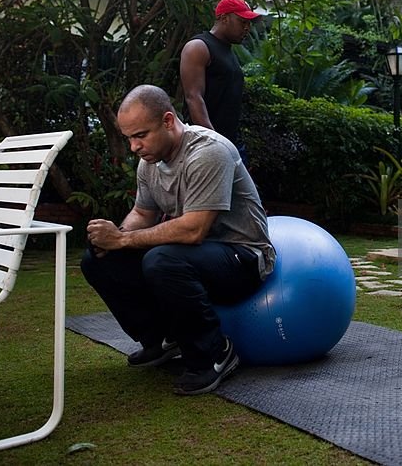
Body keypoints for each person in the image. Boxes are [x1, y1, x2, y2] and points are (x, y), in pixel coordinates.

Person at [81, 85, 275, 395]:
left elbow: (193, 230)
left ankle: (215, 353)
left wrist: (122, 240)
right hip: (192, 256)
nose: (133, 147)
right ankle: (161, 339)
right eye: (129, 137)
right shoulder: (150, 162)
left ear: (168, 121)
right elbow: (142, 213)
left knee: (162, 260)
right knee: (98, 259)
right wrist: (113, 240)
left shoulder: (209, 152)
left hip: (242, 256)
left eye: (140, 135)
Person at [179, 0, 260, 152]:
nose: (247, 28)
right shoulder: (199, 47)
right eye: (242, 22)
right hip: (205, 145)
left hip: (231, 144)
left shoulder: (228, 51)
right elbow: (193, 97)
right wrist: (214, 142)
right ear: (224, 18)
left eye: (249, 23)